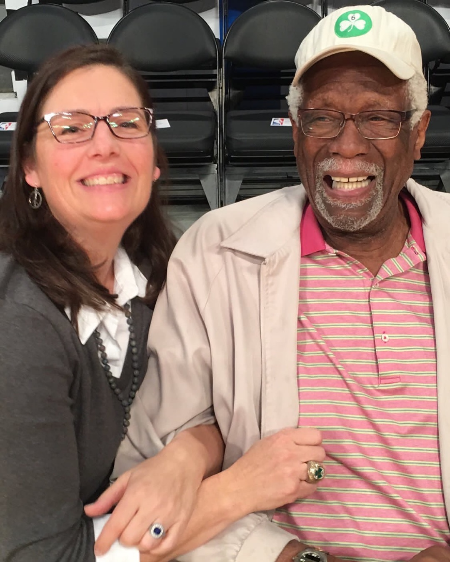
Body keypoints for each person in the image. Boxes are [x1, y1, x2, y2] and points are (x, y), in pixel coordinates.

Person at [101, 5, 450, 562]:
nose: (348, 145)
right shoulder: (216, 252)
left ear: (418, 132)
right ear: (295, 132)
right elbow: (151, 483)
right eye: (323, 117)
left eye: (379, 117)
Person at [0, 43, 229, 562]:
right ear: (30, 167)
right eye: (72, 127)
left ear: (153, 162)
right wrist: (238, 492)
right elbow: (46, 556)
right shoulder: (16, 321)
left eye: (127, 122)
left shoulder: (164, 272)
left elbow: (223, 411)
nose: (105, 144)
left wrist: (192, 454)